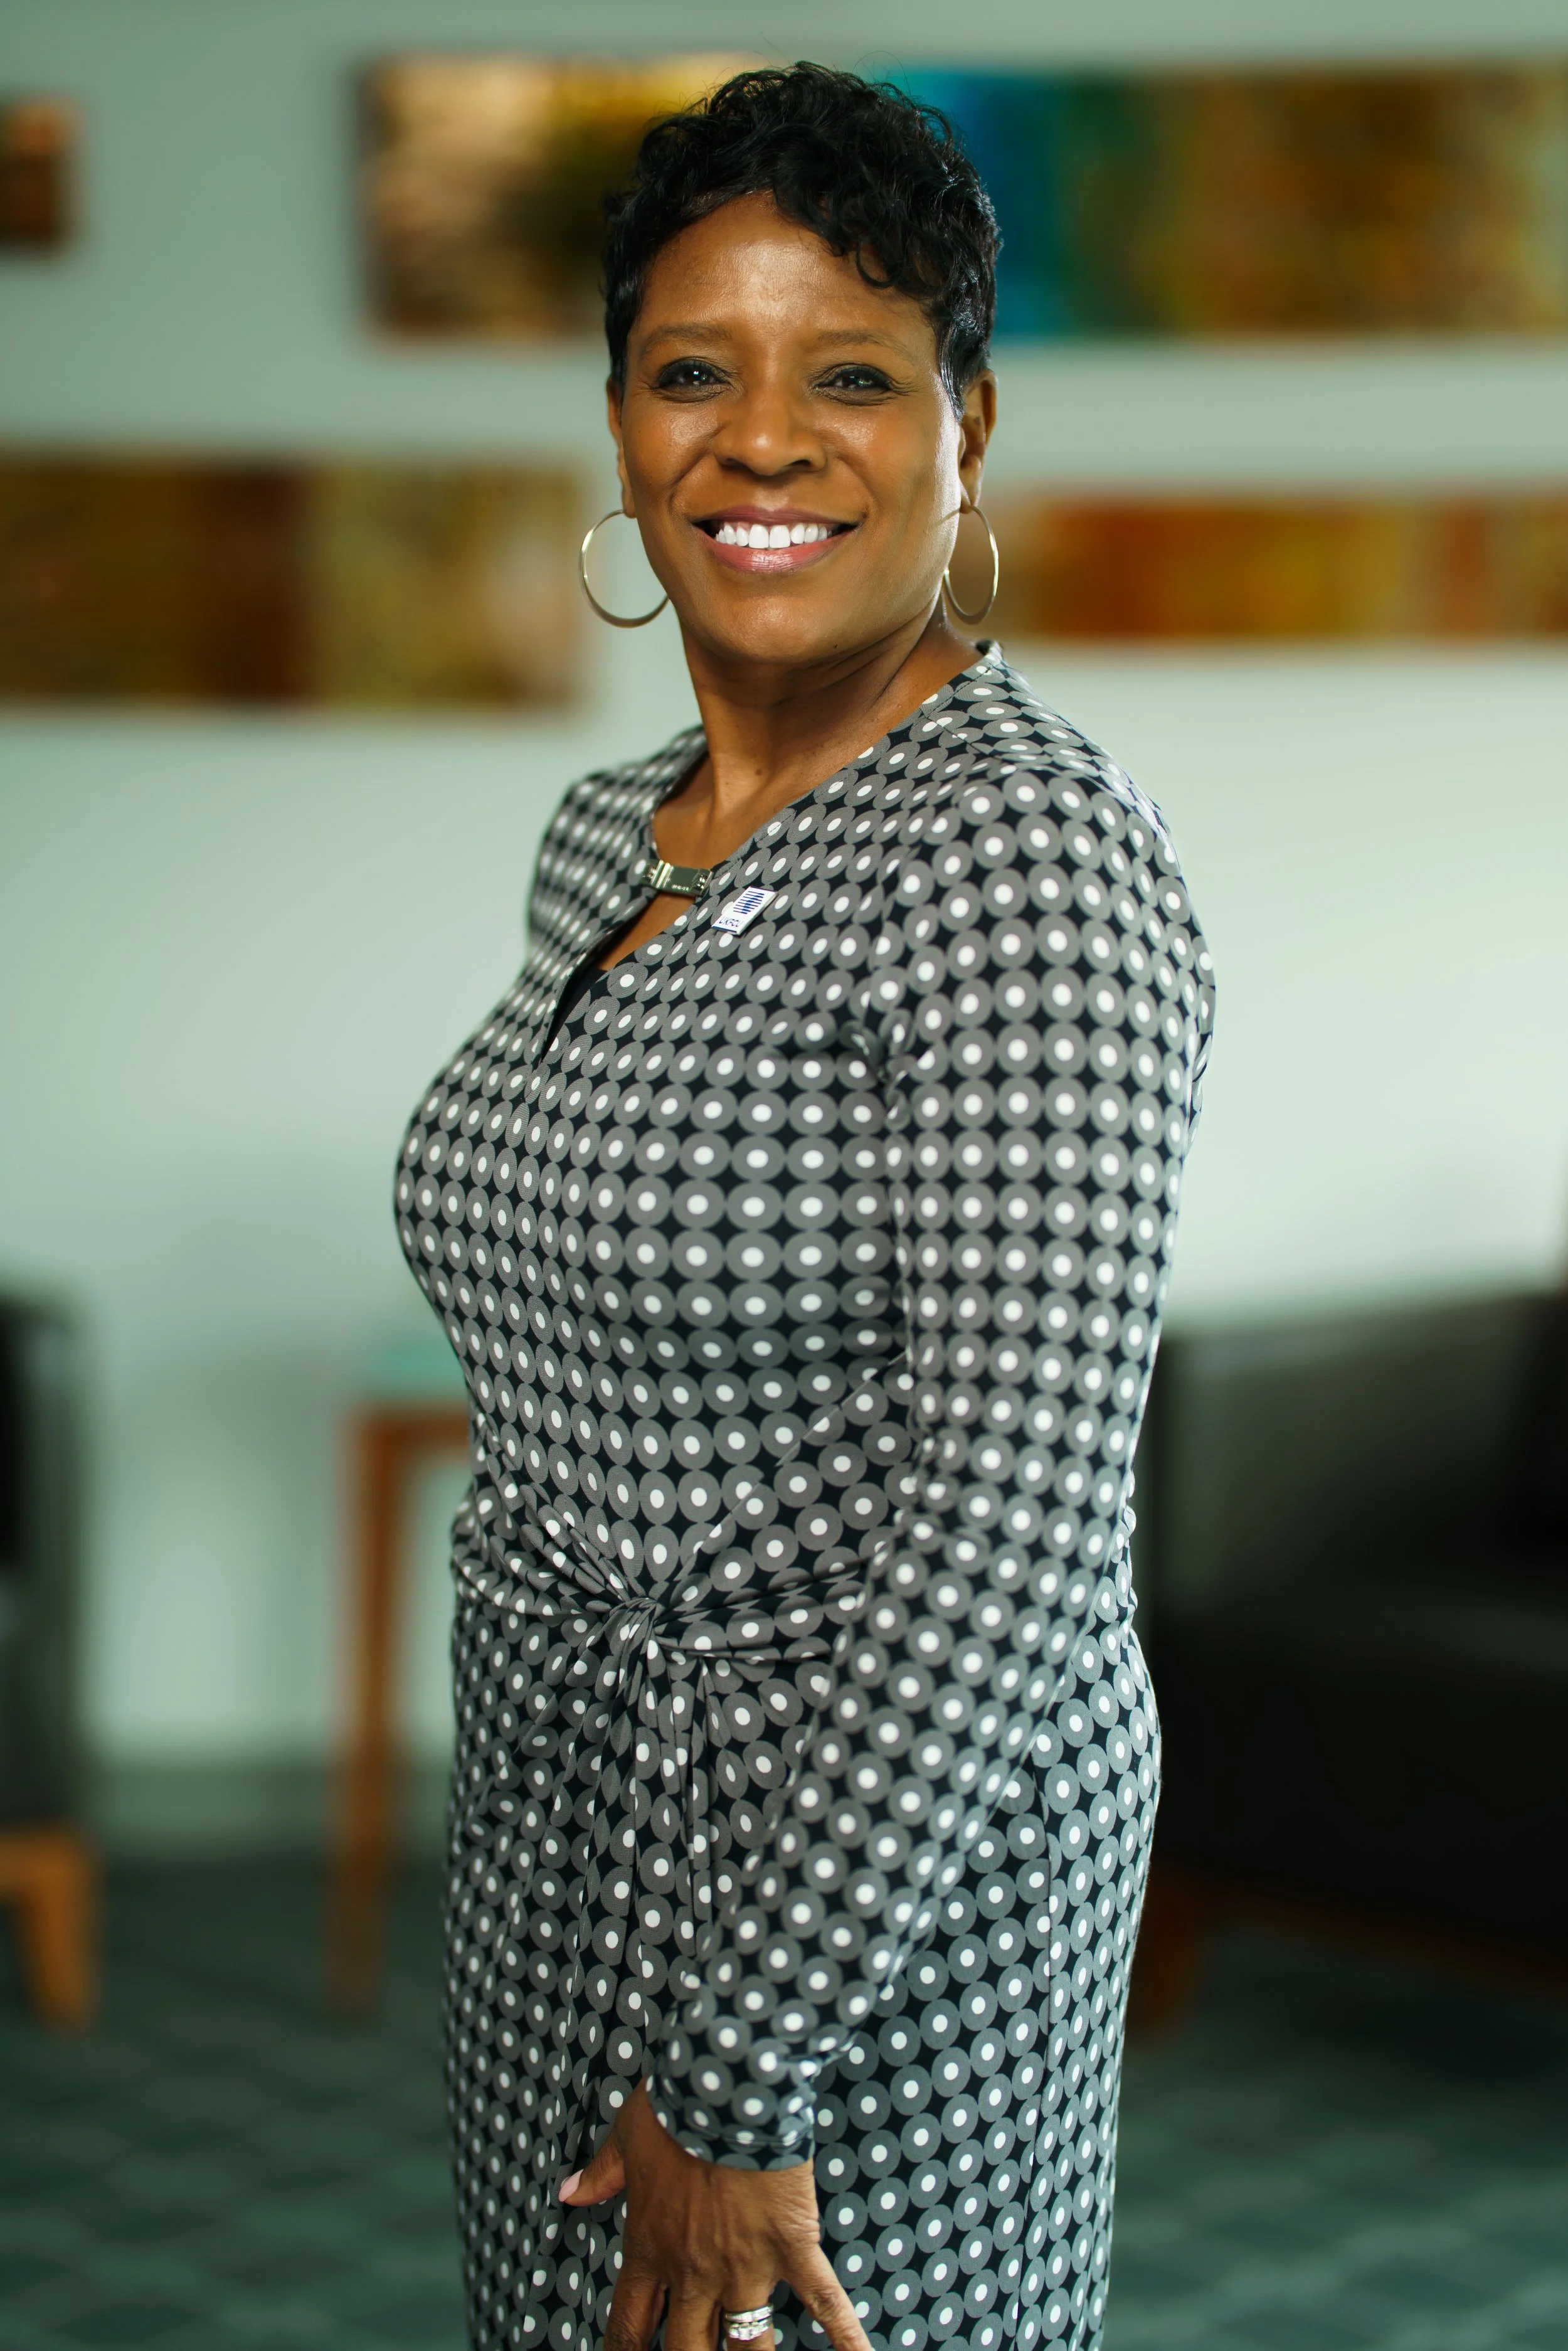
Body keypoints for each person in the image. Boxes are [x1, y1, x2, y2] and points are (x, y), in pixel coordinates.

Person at [395, 61, 1214, 2351]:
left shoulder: (1017, 858)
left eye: (847, 372)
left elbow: (1021, 1514)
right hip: (565, 1821)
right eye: (690, 373)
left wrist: (745, 2064)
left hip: (868, 1886)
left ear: (968, 425)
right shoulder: (605, 835)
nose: (759, 439)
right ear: (623, 430)